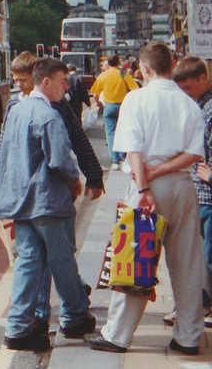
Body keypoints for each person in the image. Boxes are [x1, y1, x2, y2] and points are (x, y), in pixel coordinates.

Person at [84, 43, 206, 355]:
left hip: (146, 188)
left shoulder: (135, 99)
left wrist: (143, 187)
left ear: (145, 68)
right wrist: (164, 169)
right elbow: (194, 154)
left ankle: (118, 335)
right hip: (184, 186)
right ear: (172, 64)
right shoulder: (190, 104)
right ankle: (188, 338)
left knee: (135, 259)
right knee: (188, 263)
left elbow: (133, 150)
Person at [0, 53, 103, 340]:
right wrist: (75, 179)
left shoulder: (17, 110)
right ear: (47, 81)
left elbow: (4, 154)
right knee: (63, 261)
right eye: (63, 82)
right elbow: (60, 160)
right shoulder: (48, 115)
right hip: (48, 201)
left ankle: (17, 328)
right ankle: (74, 316)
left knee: (28, 261)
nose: (67, 88)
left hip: (22, 202)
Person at [163, 56, 212, 328]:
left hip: (209, 195)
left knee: (209, 255)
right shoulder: (197, 106)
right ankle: (201, 306)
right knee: (202, 257)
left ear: (204, 79)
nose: (185, 95)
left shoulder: (210, 110)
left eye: (189, 88)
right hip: (200, 193)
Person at [89, 55, 139, 170]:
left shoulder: (104, 75)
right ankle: (123, 156)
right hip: (123, 106)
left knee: (111, 133)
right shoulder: (122, 73)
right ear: (118, 62)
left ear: (108, 63)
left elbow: (95, 95)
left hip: (109, 106)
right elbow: (134, 88)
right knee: (123, 131)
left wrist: (99, 104)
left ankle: (115, 161)